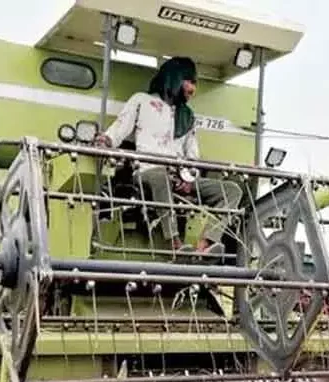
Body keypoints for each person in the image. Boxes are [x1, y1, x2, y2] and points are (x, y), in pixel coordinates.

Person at [95, 56, 242, 255]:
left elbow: (193, 158)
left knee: (232, 190)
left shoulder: (188, 116)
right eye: (190, 81)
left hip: (179, 177)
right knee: (160, 175)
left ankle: (205, 245)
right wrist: (104, 141)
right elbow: (118, 130)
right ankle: (174, 242)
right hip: (148, 173)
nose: (193, 89)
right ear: (175, 78)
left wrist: (189, 178)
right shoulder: (142, 101)